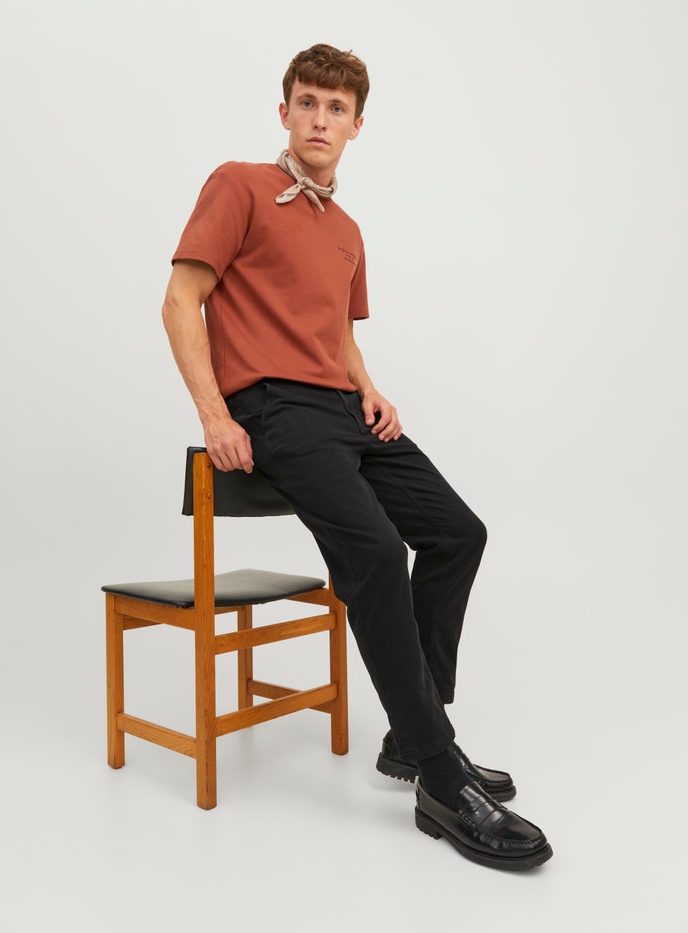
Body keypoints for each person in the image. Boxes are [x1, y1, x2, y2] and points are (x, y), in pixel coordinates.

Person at [162, 43, 552, 871]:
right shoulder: (239, 185)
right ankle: (440, 776)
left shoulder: (346, 230)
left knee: (457, 532)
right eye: (307, 102)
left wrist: (371, 389)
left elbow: (337, 332)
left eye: (336, 108)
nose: (320, 119)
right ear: (284, 113)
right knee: (376, 553)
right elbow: (181, 299)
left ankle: (415, 733)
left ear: (356, 126)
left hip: (344, 408)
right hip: (274, 407)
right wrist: (215, 413)